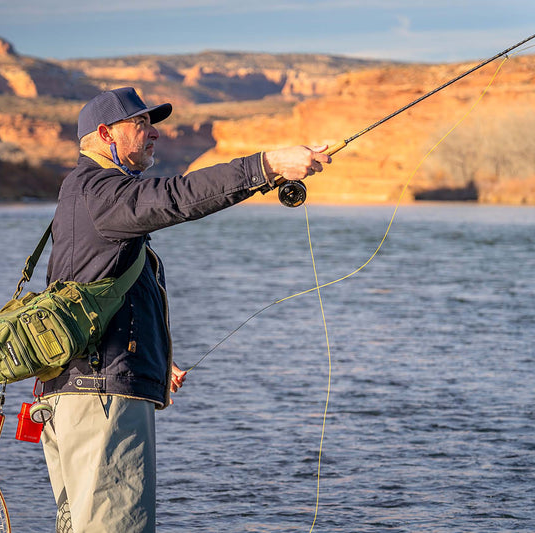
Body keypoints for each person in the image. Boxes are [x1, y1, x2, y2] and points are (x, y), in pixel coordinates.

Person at [39, 86, 330, 532]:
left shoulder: (85, 193)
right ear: (104, 134)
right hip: (99, 400)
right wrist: (267, 166)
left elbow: (90, 293)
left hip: (81, 391)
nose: (154, 134)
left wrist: (152, 359)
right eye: (141, 125)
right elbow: (178, 197)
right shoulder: (101, 191)